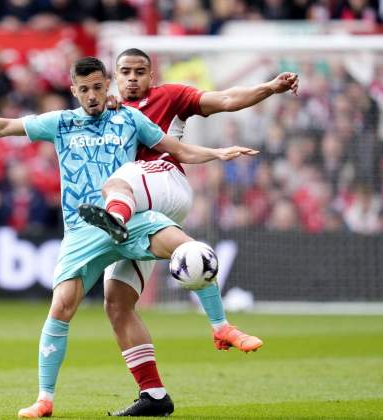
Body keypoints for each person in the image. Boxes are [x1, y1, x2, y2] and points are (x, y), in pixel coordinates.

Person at [0, 56, 257, 418]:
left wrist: (217, 153)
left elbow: (179, 149)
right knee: (62, 307)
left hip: (131, 218)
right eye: (85, 89)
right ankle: (44, 399)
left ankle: (221, 326)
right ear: (74, 90)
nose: (92, 96)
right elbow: (2, 127)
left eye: (98, 87)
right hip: (82, 230)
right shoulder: (61, 123)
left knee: (189, 248)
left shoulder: (129, 119)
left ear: (107, 86)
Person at [79, 48, 299, 415]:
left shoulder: (171, 96)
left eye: (140, 72)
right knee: (117, 303)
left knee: (123, 178)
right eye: (125, 72)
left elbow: (227, 99)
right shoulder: (102, 109)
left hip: (163, 181)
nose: (132, 78)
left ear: (152, 75)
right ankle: (158, 391)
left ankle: (113, 219)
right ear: (114, 77)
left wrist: (270, 88)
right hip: (140, 209)